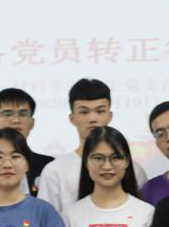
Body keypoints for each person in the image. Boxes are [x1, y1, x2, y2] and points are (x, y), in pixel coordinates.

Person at [39, 78, 147, 213]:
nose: (92, 119)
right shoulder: (55, 170)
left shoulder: (133, 169)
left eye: (100, 111)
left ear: (110, 116)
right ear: (72, 118)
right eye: (84, 112)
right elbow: (46, 219)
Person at [0, 87, 56, 196]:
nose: (16, 120)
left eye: (23, 114)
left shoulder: (49, 165)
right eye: (8, 114)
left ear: (32, 123)